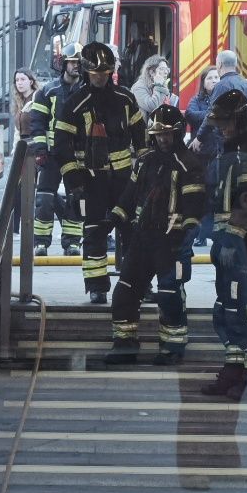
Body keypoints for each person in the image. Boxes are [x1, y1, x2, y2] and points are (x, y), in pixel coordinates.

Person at [105, 104, 207, 367]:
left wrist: (186, 234)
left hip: (172, 244)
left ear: (178, 132)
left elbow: (195, 205)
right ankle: (124, 344)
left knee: (170, 294)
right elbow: (129, 195)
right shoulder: (145, 161)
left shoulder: (189, 164)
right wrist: (114, 217)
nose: (163, 139)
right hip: (143, 240)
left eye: (168, 133)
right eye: (158, 134)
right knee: (125, 292)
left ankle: (172, 347)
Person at [52, 41, 146, 305]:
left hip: (125, 178)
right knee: (94, 232)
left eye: (104, 73)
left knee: (131, 230)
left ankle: (134, 282)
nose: (100, 78)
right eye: (95, 73)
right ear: (85, 72)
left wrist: (145, 171)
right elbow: (61, 146)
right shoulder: (74, 104)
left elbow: (141, 138)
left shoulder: (125, 99)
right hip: (91, 179)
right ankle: (97, 286)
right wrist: (74, 181)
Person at [200, 89, 247, 402]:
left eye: (226, 121)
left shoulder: (246, 151)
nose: (221, 127)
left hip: (245, 246)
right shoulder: (234, 147)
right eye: (219, 122)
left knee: (243, 313)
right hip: (235, 244)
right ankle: (233, 373)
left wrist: (232, 235)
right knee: (230, 311)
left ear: (240, 120)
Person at [25, 45, 84, 257]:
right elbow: (37, 123)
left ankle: (73, 243)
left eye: (79, 62)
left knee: (77, 199)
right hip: (51, 155)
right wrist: (40, 149)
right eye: (72, 62)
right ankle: (41, 243)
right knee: (44, 199)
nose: (76, 66)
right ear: (64, 64)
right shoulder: (47, 92)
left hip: (77, 156)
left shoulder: (88, 92)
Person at [192, 50, 247, 161]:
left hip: (227, 145)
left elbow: (211, 115)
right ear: (235, 64)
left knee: (226, 175)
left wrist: (199, 138)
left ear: (220, 64)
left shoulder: (220, 87)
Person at [185, 67, 222, 248]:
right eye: (210, 78)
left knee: (213, 197)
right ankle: (198, 234)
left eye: (217, 77)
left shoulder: (222, 100)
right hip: (200, 157)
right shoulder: (196, 100)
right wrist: (211, 116)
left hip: (216, 154)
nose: (214, 80)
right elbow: (191, 115)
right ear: (203, 82)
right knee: (199, 195)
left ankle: (209, 233)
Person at [131, 53, 177, 119]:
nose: (166, 72)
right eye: (162, 69)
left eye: (167, 69)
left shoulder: (162, 87)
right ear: (151, 72)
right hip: (144, 128)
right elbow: (153, 107)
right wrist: (158, 85)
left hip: (160, 128)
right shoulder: (138, 87)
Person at [8, 68, 40, 150]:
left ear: (31, 82)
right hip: (23, 146)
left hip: (36, 145)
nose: (19, 83)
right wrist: (15, 149)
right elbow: (17, 131)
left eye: (23, 79)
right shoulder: (19, 101)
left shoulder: (38, 97)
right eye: (17, 80)